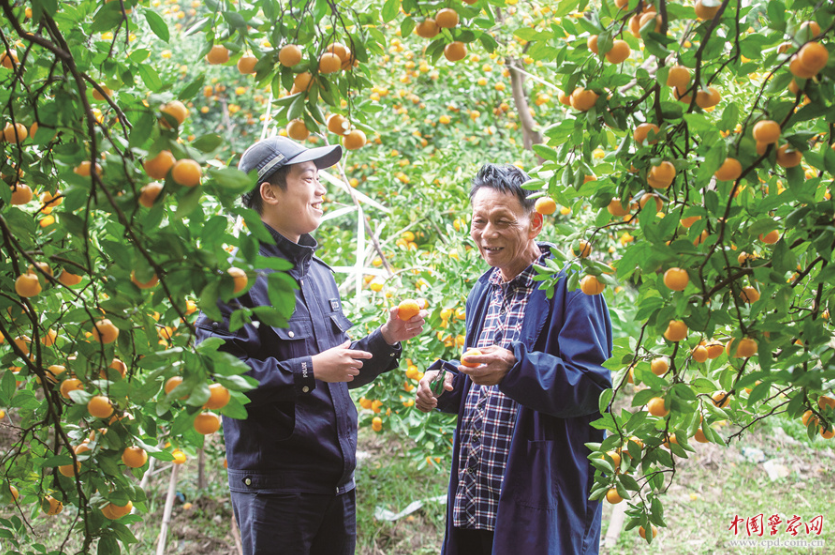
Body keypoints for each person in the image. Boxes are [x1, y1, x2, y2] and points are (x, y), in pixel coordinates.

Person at [194, 136, 426, 555]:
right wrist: (310, 369)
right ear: (269, 192)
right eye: (309, 179)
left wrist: (386, 339)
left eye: (320, 180)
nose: (322, 190)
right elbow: (219, 382)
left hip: (335, 483)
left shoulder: (319, 275)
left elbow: (336, 369)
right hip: (277, 491)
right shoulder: (235, 281)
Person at [415, 164, 613, 555]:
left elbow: (593, 388)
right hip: (476, 496)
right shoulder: (484, 288)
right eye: (480, 221)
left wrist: (516, 368)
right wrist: (446, 382)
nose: (487, 235)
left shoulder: (572, 287)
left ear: (534, 222)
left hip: (536, 488)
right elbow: (483, 378)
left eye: (502, 221)